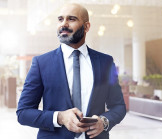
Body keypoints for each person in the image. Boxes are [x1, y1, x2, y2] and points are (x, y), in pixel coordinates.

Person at [16, 3, 126, 139]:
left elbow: (118, 106)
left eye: (71, 19)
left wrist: (104, 122)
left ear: (86, 27)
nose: (64, 24)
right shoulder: (41, 63)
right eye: (60, 19)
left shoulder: (105, 62)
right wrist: (60, 117)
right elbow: (23, 113)